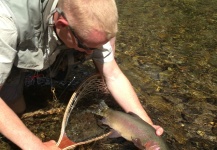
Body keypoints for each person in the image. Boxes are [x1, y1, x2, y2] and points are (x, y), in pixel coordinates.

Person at [0, 0, 164, 149]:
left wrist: (146, 127)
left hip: (55, 39)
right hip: (17, 41)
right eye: (87, 47)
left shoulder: (97, 20)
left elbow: (113, 75)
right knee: (17, 109)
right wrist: (34, 145)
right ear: (62, 24)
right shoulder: (6, 25)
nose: (91, 53)